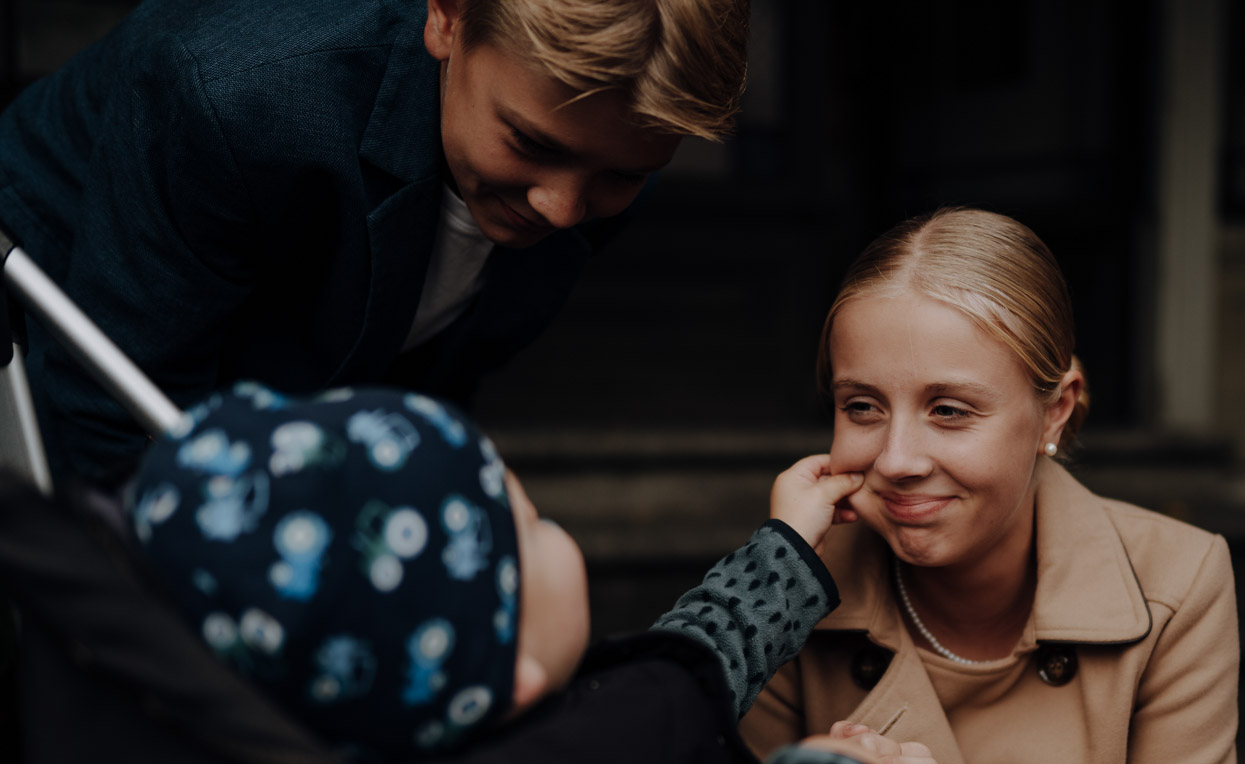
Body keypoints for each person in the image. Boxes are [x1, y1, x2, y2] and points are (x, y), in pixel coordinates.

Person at [124, 382, 943, 764]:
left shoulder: (441, 729)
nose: (558, 532)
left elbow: (678, 679)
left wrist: (788, 547)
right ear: (509, 667)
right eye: (531, 523)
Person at [740, 207, 1245, 764]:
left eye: (950, 409)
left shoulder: (1177, 586)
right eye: (862, 407)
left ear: (1056, 409)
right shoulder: (797, 583)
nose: (898, 459)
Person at [0, 0, 747, 483]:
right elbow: (113, 429)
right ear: (448, 19)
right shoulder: (233, 97)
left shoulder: (598, 169)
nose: (562, 208)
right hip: (50, 324)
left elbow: (428, 378)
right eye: (527, 141)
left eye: (621, 174)